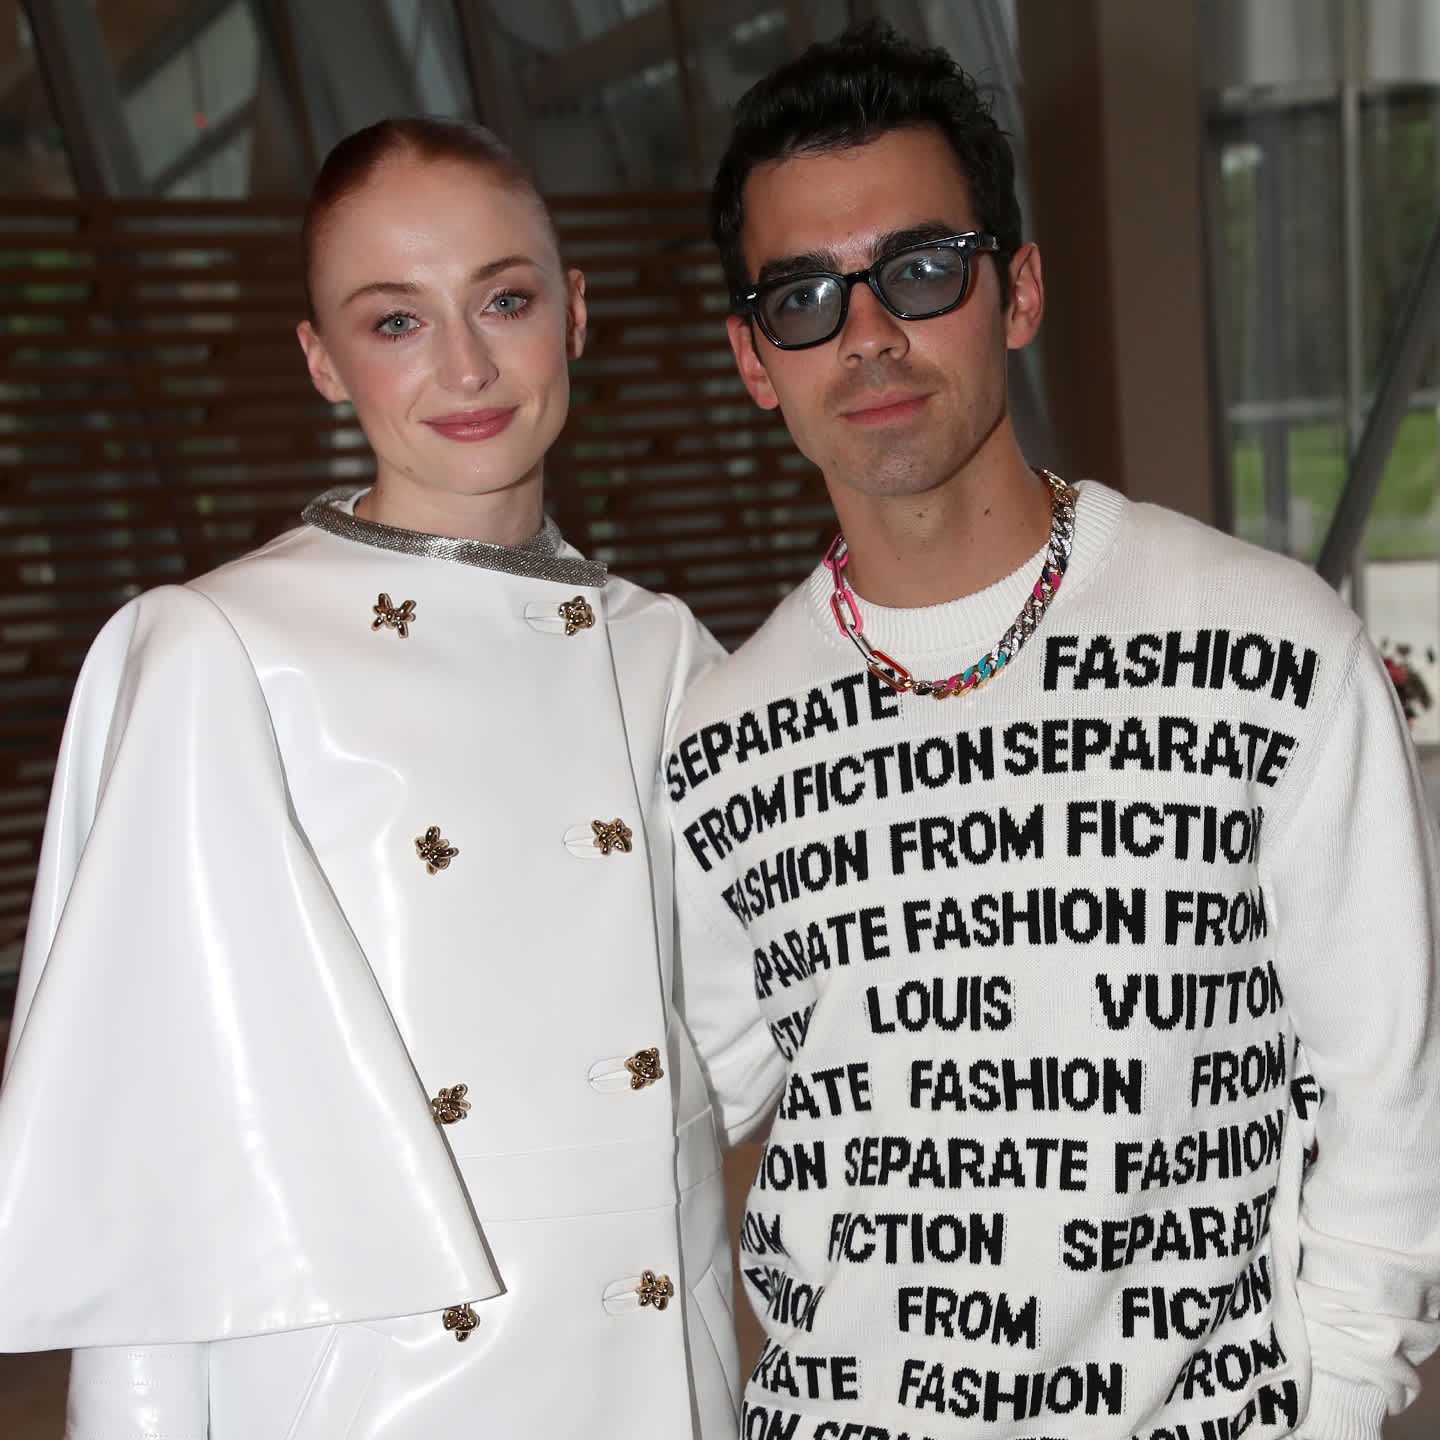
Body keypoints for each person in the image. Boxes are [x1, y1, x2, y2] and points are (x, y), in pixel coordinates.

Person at [669, 24, 1440, 1440]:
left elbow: (1389, 1098)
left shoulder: (1269, 653)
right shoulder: (722, 737)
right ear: (753, 359)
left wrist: (1330, 1412)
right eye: (803, 296)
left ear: (1016, 290)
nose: (867, 335)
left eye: (921, 268)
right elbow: (651, 1117)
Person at [0, 117, 777, 1439]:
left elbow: (742, 1043)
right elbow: (157, 1168)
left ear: (575, 313)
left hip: (661, 1383)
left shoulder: (665, 654)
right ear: (321, 359)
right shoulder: (221, 655)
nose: (466, 366)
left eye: (505, 301)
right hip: (372, 1396)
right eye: (397, 321)